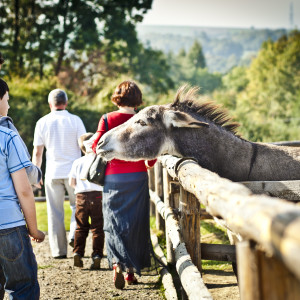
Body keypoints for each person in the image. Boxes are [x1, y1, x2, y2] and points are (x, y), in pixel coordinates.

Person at [92, 80, 156, 289]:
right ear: (137, 99)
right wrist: (147, 163)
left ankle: (117, 265)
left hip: (113, 178)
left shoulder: (107, 119)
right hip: (137, 177)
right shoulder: (142, 121)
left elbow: (97, 147)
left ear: (117, 97)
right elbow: (152, 152)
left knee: (114, 223)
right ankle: (130, 272)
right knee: (135, 224)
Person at [32, 89, 86, 259]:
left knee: (54, 212)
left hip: (53, 173)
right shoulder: (75, 120)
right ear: (66, 103)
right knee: (77, 207)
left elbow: (38, 152)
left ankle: (58, 251)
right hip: (74, 173)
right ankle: (73, 236)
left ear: (50, 104)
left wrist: (36, 175)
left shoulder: (42, 122)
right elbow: (84, 146)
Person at [0, 125, 45, 299]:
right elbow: (24, 190)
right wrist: (33, 230)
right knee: (22, 287)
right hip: (8, 224)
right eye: (7, 100)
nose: (8, 106)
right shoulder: (7, 137)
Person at [69, 132, 104, 269]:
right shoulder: (99, 160)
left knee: (80, 226)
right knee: (97, 228)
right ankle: (96, 255)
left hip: (81, 196)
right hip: (98, 195)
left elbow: (72, 182)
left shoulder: (77, 162)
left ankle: (78, 252)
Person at [0, 79, 42, 185]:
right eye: (7, 100)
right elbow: (26, 171)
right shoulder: (6, 127)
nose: (8, 106)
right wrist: (37, 174)